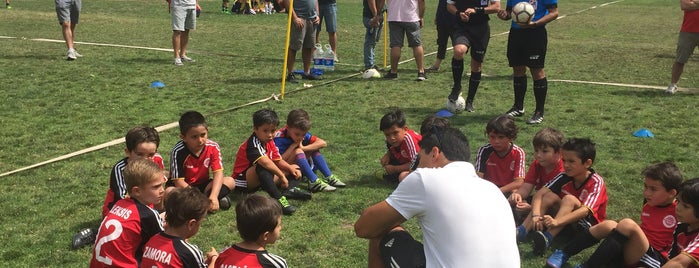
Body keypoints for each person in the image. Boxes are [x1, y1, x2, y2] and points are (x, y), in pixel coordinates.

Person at [355, 127, 520, 267]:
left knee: (383, 231)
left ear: (434, 153)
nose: (417, 166)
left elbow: (364, 227)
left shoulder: (425, 178)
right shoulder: (492, 189)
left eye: (419, 159)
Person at [546, 162, 683, 268]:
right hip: (635, 248)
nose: (646, 193)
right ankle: (564, 253)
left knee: (627, 224)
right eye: (645, 187)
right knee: (609, 225)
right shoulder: (649, 202)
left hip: (653, 258)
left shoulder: (680, 211)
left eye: (653, 189)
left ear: (672, 193)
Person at [71, 126, 166, 250]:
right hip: (121, 209)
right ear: (128, 152)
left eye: (151, 155)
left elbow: (159, 186)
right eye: (140, 154)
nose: (146, 159)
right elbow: (123, 200)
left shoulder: (157, 160)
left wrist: (160, 210)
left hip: (147, 203)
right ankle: (96, 233)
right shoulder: (120, 169)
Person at [516, 138, 608, 256]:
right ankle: (522, 231)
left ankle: (548, 237)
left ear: (587, 163)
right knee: (549, 196)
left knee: (569, 199)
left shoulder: (596, 182)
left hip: (583, 227)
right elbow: (540, 194)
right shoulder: (564, 175)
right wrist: (535, 215)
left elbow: (585, 211)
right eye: (564, 160)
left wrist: (556, 222)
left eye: (571, 161)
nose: (566, 165)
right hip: (561, 221)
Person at [89, 159, 165, 267]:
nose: (162, 190)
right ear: (137, 191)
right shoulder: (148, 215)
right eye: (156, 187)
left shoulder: (119, 203)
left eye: (162, 185)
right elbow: (166, 245)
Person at [232, 109, 306, 216]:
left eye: (273, 130)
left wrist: (290, 169)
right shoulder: (252, 143)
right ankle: (279, 200)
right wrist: (282, 176)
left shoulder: (269, 141)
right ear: (255, 129)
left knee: (295, 167)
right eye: (265, 131)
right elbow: (265, 163)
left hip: (261, 180)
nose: (270, 135)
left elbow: (278, 160)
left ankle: (289, 190)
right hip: (243, 181)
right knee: (263, 167)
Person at [497, 0, 558, 124]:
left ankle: (539, 112)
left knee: (537, 70)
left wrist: (535, 24)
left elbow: (554, 13)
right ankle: (518, 107)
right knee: (518, 69)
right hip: (516, 34)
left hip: (536, 33)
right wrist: (505, 15)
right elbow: (510, 12)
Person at [168, 111, 235, 212]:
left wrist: (213, 195)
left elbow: (218, 173)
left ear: (207, 131)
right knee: (169, 192)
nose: (200, 140)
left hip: (203, 186)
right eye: (194, 137)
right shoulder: (178, 151)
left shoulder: (213, 147)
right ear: (183, 137)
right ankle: (205, 204)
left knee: (230, 181)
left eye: (203, 135)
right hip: (184, 189)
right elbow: (179, 182)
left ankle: (204, 204)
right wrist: (198, 196)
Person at [141, 187, 219, 268]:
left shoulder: (152, 241)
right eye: (200, 223)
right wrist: (214, 259)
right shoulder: (188, 252)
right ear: (191, 224)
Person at [444, 0, 500, 113]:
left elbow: (496, 7)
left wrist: (476, 10)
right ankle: (457, 86)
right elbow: (449, 6)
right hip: (462, 27)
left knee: (476, 65)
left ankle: (470, 100)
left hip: (481, 29)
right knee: (459, 51)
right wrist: (458, 13)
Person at [274, 109, 346, 193]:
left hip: (297, 165)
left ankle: (329, 177)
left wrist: (303, 148)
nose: (300, 137)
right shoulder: (278, 138)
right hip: (282, 169)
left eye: (303, 134)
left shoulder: (300, 133)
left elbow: (323, 143)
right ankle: (313, 181)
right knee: (298, 152)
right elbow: (277, 160)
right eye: (297, 134)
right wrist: (293, 147)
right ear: (287, 128)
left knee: (313, 149)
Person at [214, 194, 288, 267]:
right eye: (278, 226)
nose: (281, 228)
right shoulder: (274, 264)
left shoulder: (223, 255)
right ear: (266, 235)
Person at [509, 127, 564, 222]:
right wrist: (518, 195)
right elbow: (526, 187)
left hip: (556, 206)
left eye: (544, 151)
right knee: (516, 201)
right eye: (536, 150)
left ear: (558, 152)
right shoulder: (537, 164)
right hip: (538, 200)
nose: (538, 155)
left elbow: (559, 202)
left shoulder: (564, 169)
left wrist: (532, 209)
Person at [375, 0, 427, 81]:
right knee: (416, 45)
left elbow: (381, 1)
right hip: (411, 17)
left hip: (394, 17)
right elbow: (422, 1)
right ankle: (421, 71)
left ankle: (393, 72)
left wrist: (378, 14)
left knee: (396, 45)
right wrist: (421, 16)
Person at [475, 114, 526, 195]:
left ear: (511, 137)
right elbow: (478, 178)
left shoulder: (518, 152)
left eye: (501, 137)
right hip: (488, 190)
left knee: (517, 200)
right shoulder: (484, 150)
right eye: (492, 137)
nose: (496, 141)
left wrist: (498, 191)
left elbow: (519, 181)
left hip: (508, 190)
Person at [377, 109, 421, 183]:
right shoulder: (392, 140)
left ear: (405, 129)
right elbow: (393, 149)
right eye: (387, 135)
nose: (392, 138)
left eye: (395, 133)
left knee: (402, 177)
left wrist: (395, 169)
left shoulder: (409, 139)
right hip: (409, 162)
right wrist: (388, 154)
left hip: (422, 166)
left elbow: (417, 164)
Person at [663, 178, 699, 268]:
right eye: (678, 201)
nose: (678, 207)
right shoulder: (680, 227)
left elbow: (678, 263)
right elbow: (672, 258)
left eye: (686, 206)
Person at [283, 0, 322, 83]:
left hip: (312, 19)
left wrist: (317, 14)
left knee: (309, 46)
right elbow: (286, 1)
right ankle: (290, 74)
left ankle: (306, 73)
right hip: (299, 19)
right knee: (294, 47)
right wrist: (294, 17)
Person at [665, 0, 699, 94]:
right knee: (680, 59)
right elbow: (684, 6)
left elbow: (689, 6)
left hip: (688, 31)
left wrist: (695, 3)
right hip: (687, 32)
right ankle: (673, 85)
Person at [424, 0, 455, 73]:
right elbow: (441, 4)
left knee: (457, 44)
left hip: (455, 20)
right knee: (441, 43)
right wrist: (437, 16)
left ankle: (457, 65)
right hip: (442, 19)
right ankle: (436, 65)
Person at [171, 0, 197, 66]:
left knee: (186, 30)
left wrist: (197, 3)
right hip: (179, 5)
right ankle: (177, 57)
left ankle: (182, 55)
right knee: (177, 31)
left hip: (191, 5)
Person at [363, 0, 384, 70]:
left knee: (373, 41)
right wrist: (375, 16)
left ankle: (371, 63)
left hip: (379, 17)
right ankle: (369, 65)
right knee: (370, 42)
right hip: (371, 17)